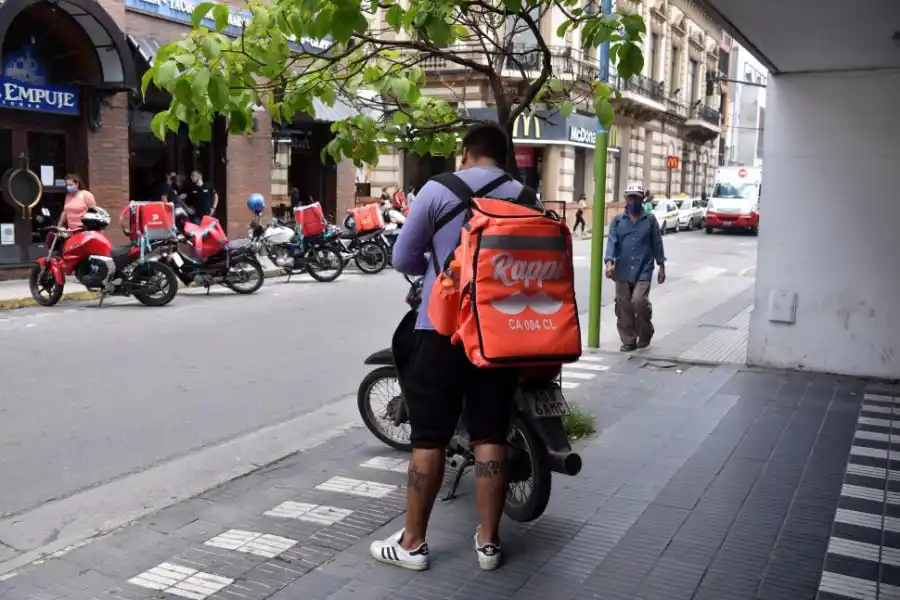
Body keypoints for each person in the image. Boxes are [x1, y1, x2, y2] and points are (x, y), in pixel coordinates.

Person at [371, 123, 541, 573]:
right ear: (504, 157)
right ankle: (488, 543)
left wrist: (441, 262)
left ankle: (413, 544)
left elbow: (404, 259)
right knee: (490, 435)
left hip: (441, 330)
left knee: (428, 437)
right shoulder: (526, 199)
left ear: (465, 153)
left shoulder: (438, 191)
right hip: (499, 336)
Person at [605, 184, 666, 352]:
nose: (633, 200)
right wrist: (609, 262)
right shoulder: (618, 221)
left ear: (642, 199)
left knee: (638, 301)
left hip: (643, 268)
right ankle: (628, 340)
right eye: (630, 197)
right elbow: (611, 243)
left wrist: (661, 266)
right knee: (624, 305)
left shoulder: (650, 220)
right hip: (622, 269)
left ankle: (646, 332)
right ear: (626, 198)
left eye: (637, 197)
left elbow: (657, 243)